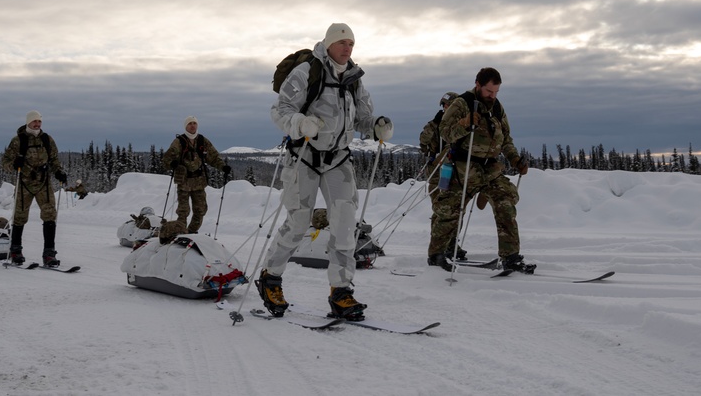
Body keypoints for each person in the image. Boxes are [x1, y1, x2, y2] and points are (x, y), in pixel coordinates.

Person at [257, 23, 393, 320]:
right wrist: (299, 124)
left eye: (351, 44)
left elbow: (363, 118)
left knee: (344, 224)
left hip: (338, 159)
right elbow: (280, 109)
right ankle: (271, 278)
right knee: (298, 222)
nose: (347, 48)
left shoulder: (355, 79)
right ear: (329, 44)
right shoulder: (308, 71)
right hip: (304, 156)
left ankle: (341, 292)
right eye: (342, 42)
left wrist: (376, 126)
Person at [434, 67, 532, 273]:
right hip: (463, 169)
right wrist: (464, 123)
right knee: (449, 212)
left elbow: (505, 138)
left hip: (490, 169)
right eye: (489, 91)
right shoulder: (461, 104)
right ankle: (438, 254)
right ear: (478, 85)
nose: (492, 96)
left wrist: (515, 159)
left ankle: (511, 256)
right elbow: (445, 132)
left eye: (496, 92)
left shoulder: (497, 108)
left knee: (505, 202)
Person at [1, 111, 67, 266]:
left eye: (39, 121)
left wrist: (58, 171)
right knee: (20, 216)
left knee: (50, 215)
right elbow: (5, 162)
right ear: (28, 122)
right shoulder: (18, 140)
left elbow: (54, 159)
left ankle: (49, 254)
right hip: (24, 183)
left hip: (44, 182)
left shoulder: (47, 139)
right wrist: (14, 164)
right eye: (34, 121)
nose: (37, 124)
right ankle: (16, 251)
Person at [419, 92, 470, 265]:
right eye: (445, 106)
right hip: (437, 172)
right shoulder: (435, 124)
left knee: (457, 209)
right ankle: (439, 247)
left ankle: (452, 243)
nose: (446, 108)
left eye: (449, 105)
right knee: (441, 209)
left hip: (455, 172)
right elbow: (423, 142)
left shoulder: (460, 125)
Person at [160, 116, 230, 234]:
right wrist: (172, 163)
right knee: (183, 211)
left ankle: (191, 232)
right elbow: (166, 160)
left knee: (200, 210)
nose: (192, 125)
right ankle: (181, 233)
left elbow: (213, 157)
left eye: (194, 123)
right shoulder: (179, 141)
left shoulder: (202, 141)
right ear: (186, 126)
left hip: (199, 181)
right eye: (190, 124)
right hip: (184, 182)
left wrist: (223, 167)